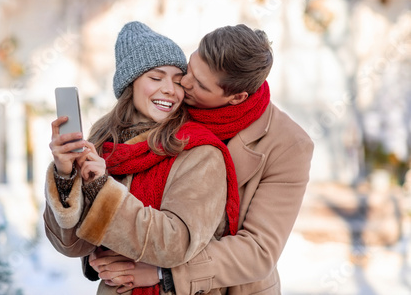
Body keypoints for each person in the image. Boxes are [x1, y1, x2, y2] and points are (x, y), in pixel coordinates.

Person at [89, 24, 315, 294]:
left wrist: (165, 272)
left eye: (199, 84)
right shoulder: (173, 102)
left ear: (236, 97)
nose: (183, 83)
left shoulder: (289, 145)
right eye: (190, 68)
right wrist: (103, 248)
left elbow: (259, 251)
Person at [43, 21, 242, 294]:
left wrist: (102, 189)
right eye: (156, 77)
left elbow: (176, 243)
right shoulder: (103, 145)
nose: (170, 89)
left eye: (177, 80)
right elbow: (72, 246)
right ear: (130, 84)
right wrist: (65, 177)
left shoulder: (198, 150)